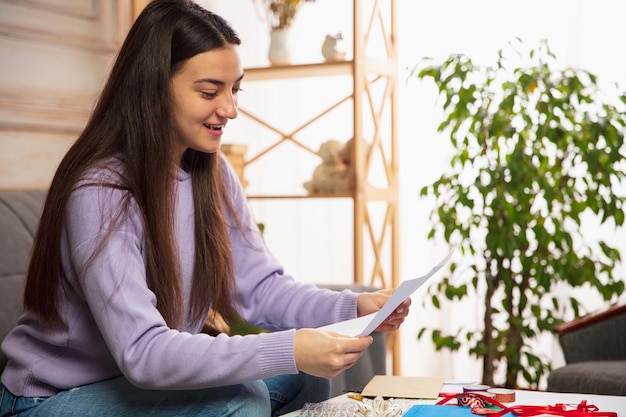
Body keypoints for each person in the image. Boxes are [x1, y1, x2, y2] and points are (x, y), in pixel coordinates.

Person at [0, 1, 411, 416]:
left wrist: (353, 308)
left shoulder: (211, 172)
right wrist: (288, 346)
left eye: (235, 89)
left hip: (134, 385)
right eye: (210, 92)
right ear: (154, 86)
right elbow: (142, 353)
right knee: (241, 401)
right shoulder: (102, 190)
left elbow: (260, 289)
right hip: (50, 398)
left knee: (306, 375)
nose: (230, 109)